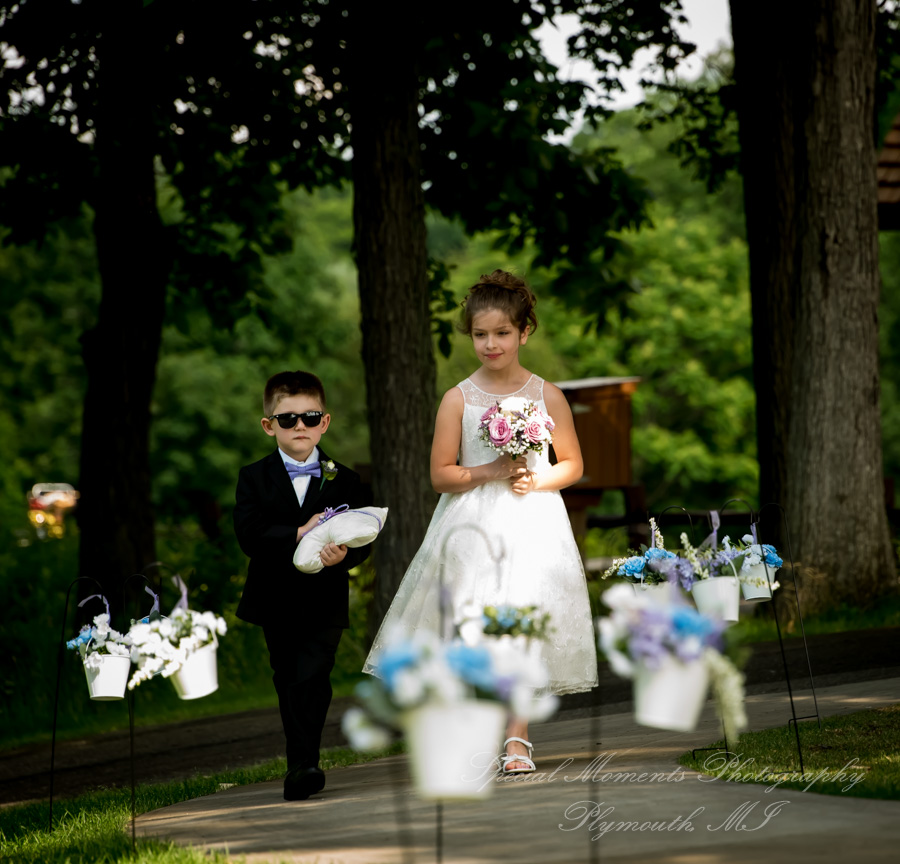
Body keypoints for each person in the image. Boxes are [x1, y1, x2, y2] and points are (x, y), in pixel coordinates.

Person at [363, 270, 598, 774]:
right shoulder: (458, 399)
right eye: (480, 335)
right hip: (472, 525)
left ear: (524, 332)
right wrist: (490, 470)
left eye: (502, 333)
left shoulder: (546, 396)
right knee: (473, 630)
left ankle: (516, 739)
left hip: (532, 522)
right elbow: (441, 475)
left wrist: (535, 480)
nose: (490, 344)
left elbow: (572, 464)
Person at [234, 370, 371, 801]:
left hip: (325, 597)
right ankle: (303, 761)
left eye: (309, 418)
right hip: (275, 597)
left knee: (314, 673)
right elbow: (249, 535)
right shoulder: (253, 477)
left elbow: (364, 534)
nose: (299, 427)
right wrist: (298, 532)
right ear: (268, 425)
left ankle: (304, 765)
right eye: (287, 419)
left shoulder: (345, 480)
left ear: (324, 423)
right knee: (288, 677)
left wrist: (345, 555)